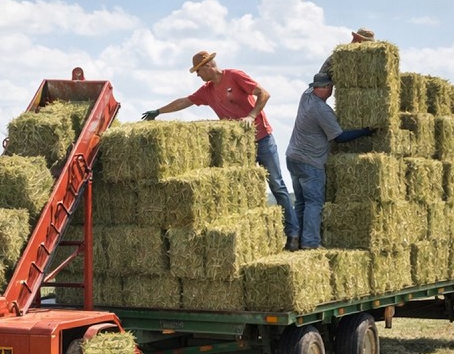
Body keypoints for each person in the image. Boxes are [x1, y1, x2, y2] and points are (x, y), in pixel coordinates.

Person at [141, 50, 297, 250]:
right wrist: (159, 111)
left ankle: (292, 233)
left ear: (208, 66)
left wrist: (251, 116)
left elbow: (264, 94)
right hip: (237, 148)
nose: (198, 76)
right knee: (242, 189)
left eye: (198, 71)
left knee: (277, 185)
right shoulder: (206, 90)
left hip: (262, 139)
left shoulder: (235, 76)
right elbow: (185, 101)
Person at [285, 73, 375, 250]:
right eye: (331, 87)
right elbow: (340, 137)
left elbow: (323, 69)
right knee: (314, 202)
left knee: (301, 202)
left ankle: (295, 238)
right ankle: (310, 243)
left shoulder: (306, 96)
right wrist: (366, 131)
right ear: (326, 88)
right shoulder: (321, 110)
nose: (333, 91)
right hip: (310, 162)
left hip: (292, 157)